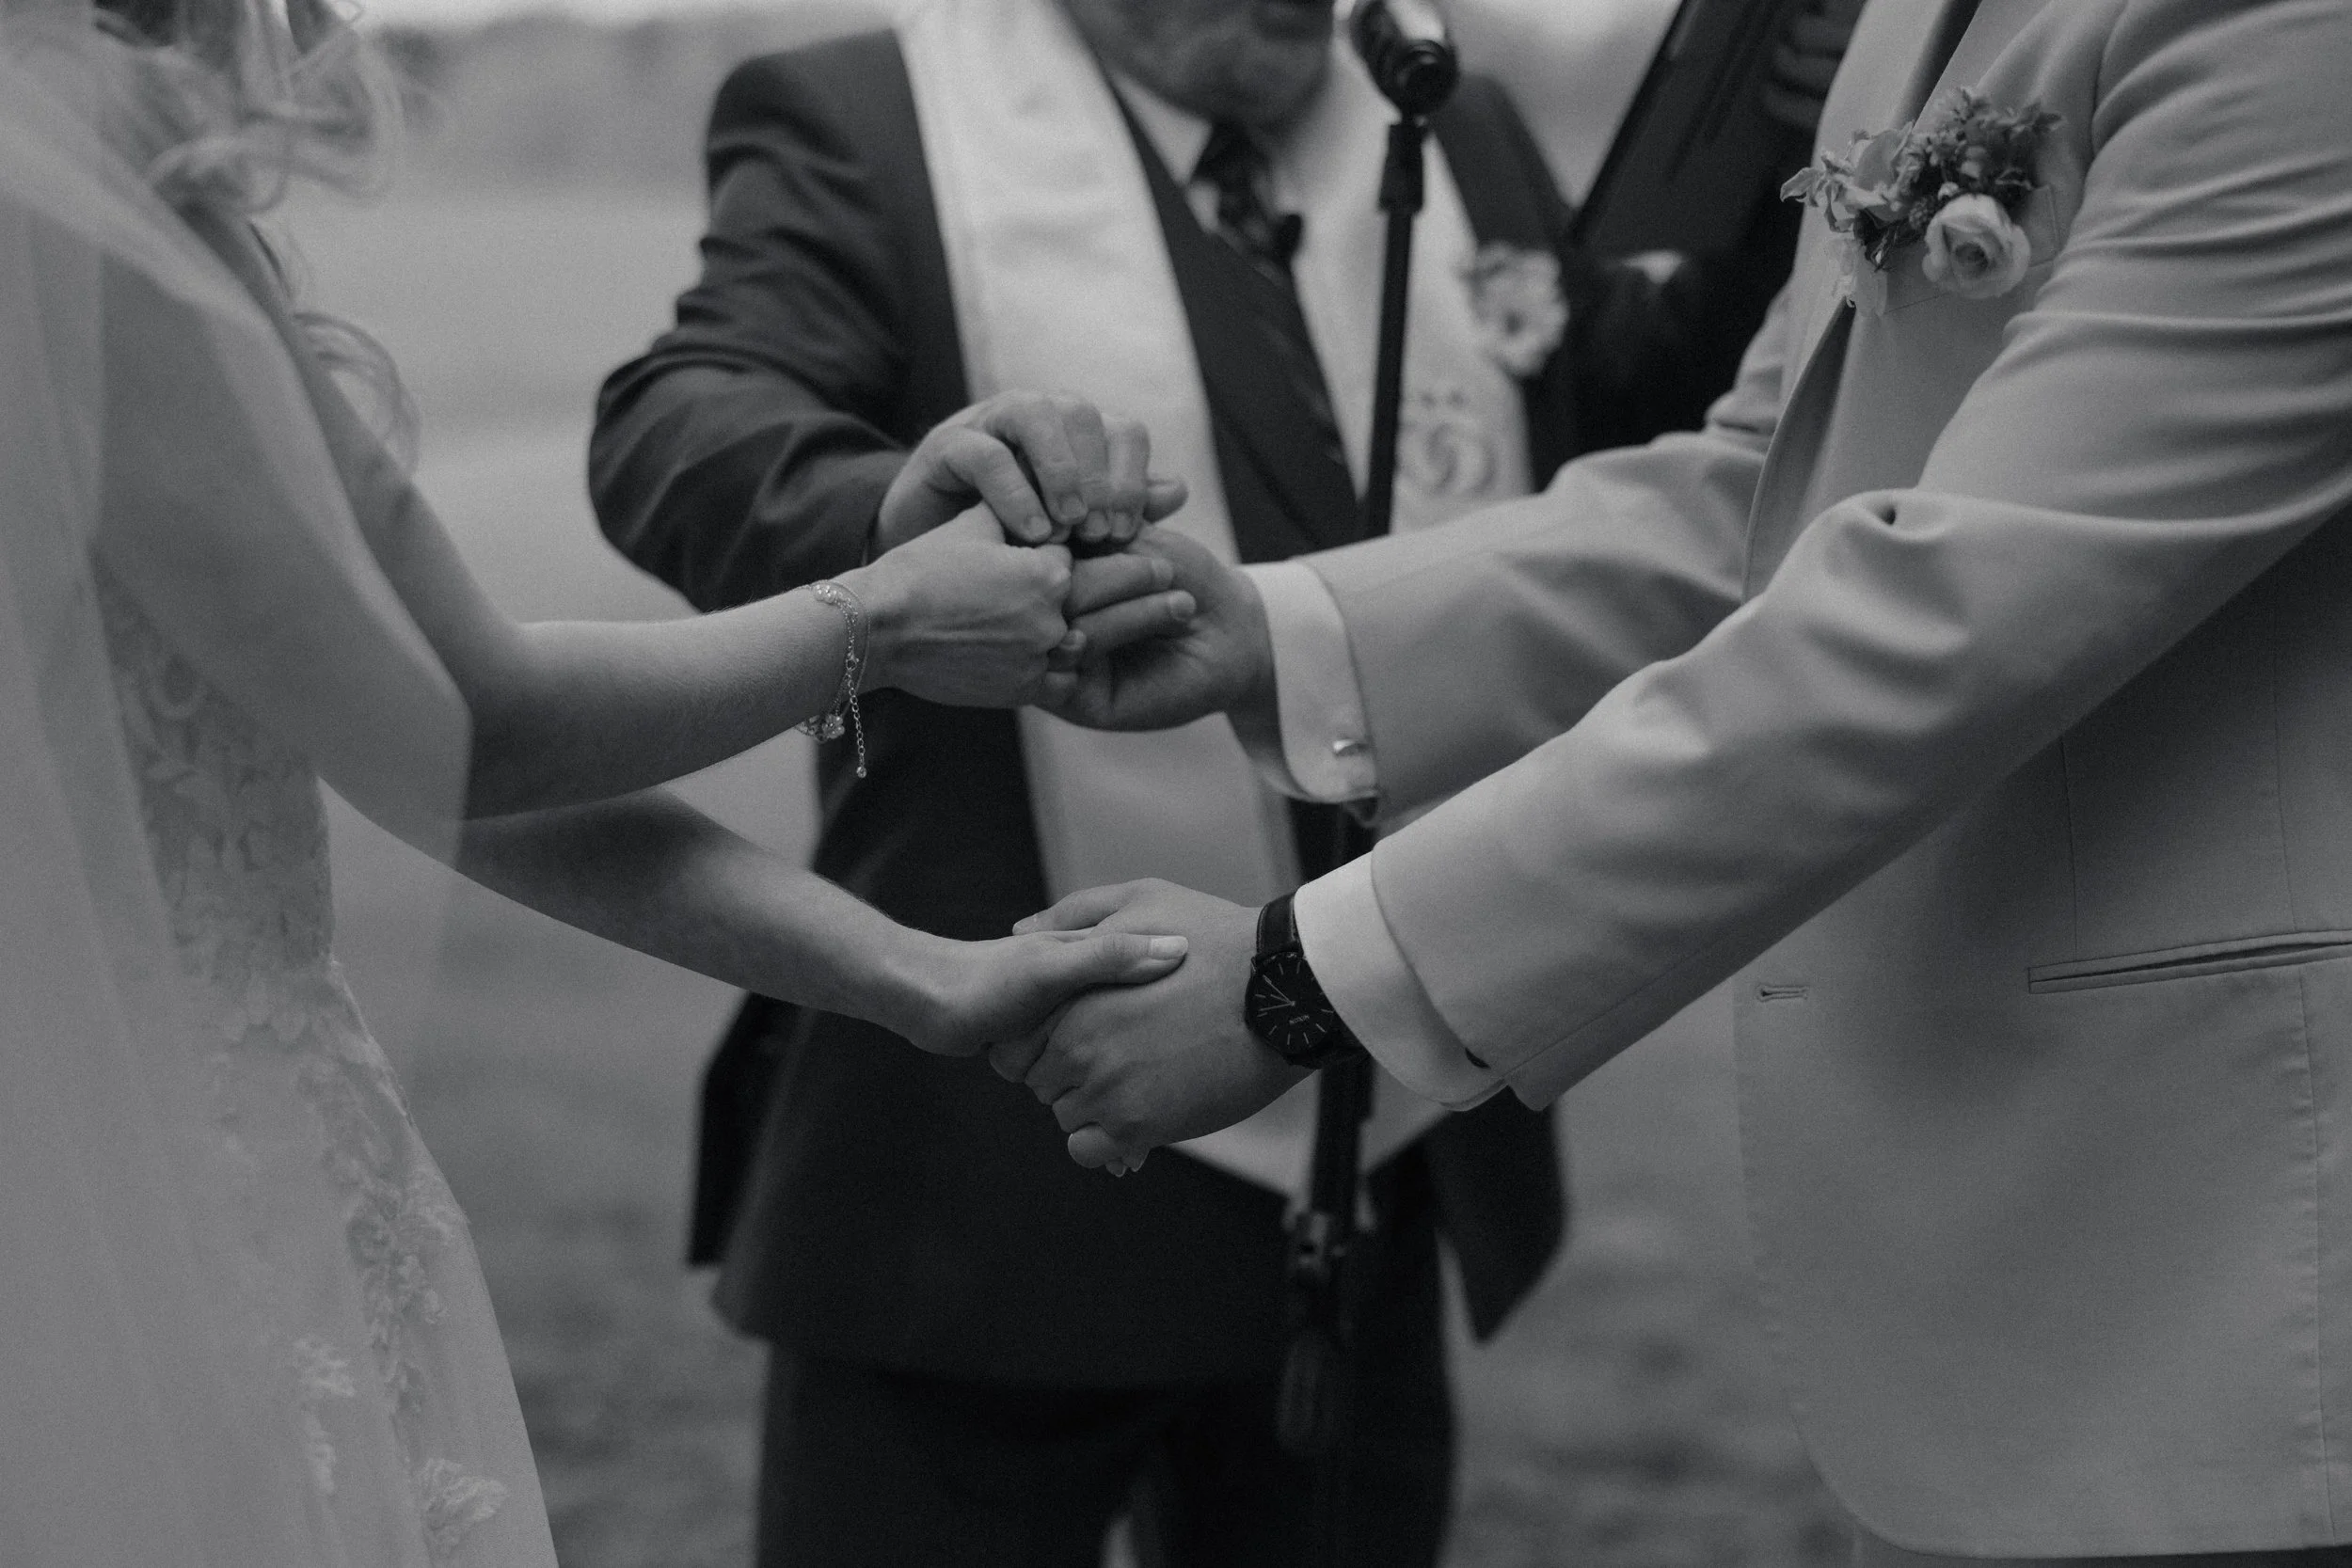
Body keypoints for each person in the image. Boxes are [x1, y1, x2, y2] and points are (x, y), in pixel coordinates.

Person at [999, 0, 2352, 1562]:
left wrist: (1299, 980)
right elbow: (1763, 486)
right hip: (2012, 1266)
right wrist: (1285, 631)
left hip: (2247, 1261)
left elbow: (1953, 615)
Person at [588, 0, 1852, 1562]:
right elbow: (681, 421)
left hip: (1375, 1114)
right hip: (989, 1159)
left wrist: (1783, 178)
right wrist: (891, 524)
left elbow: (1608, 419)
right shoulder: (867, 113)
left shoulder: (1450, 121)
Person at [0, 4, 1196, 1563]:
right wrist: (887, 618)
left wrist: (908, 970)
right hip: (152, 1221)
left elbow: (395, 742)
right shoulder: (68, 194)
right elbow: (468, 718)